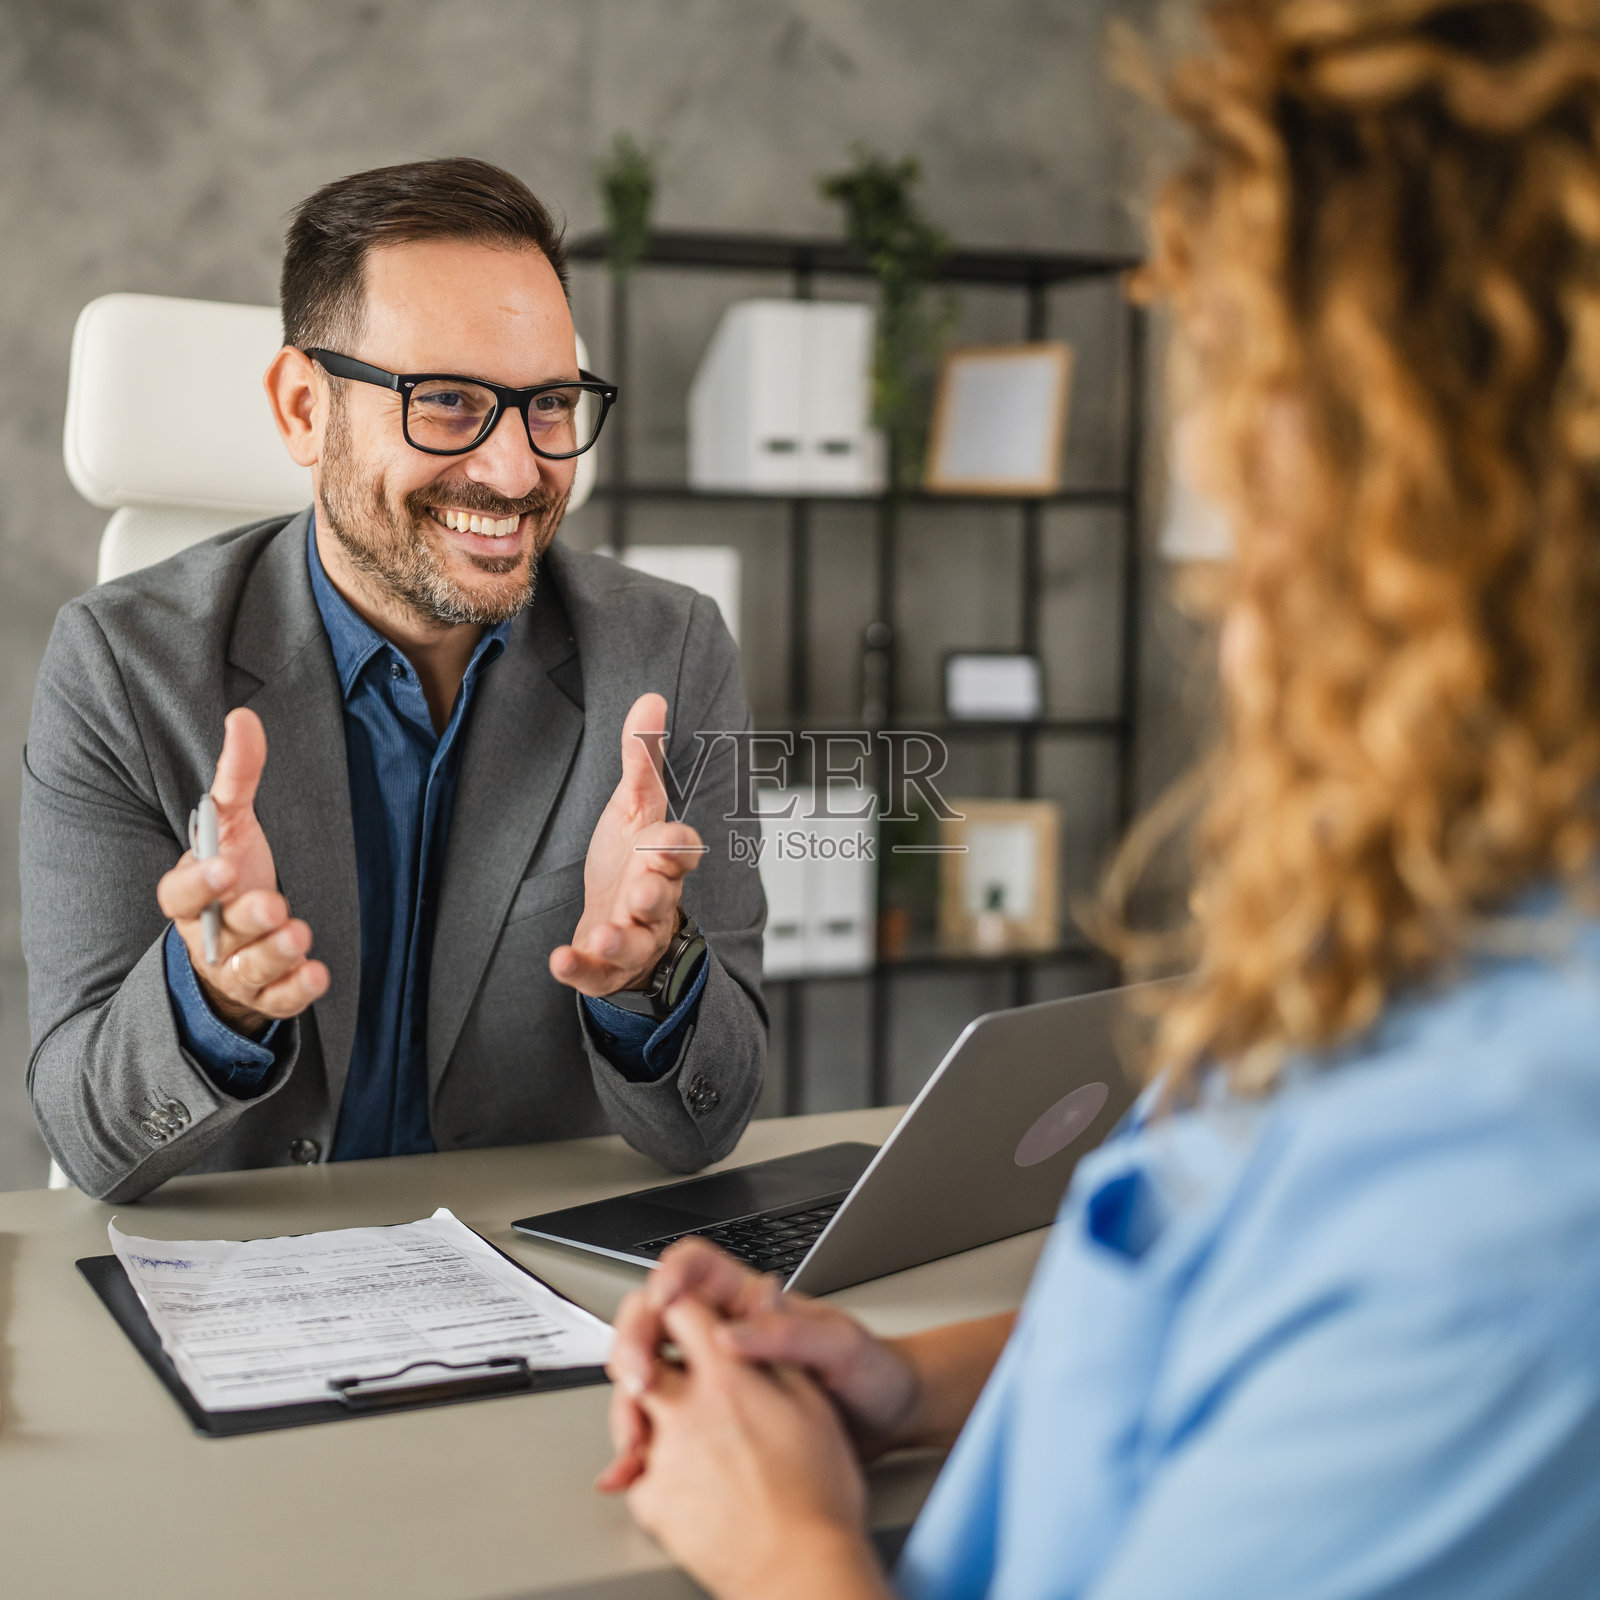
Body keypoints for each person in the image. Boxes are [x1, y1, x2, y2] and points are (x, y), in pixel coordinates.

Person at [596, 2, 1600, 1595]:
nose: (1211, 565)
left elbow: (700, 1102)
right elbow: (1230, 1315)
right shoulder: (1445, 942)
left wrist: (781, 1543)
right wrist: (902, 1380)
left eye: (1257, 409)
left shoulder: (1515, 1192)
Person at [21, 158, 766, 1203]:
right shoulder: (121, 667)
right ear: (300, 408)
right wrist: (215, 999)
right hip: (243, 1291)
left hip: (535, 1293)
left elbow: (713, 1122)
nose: (516, 473)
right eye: (448, 401)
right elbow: (90, 1138)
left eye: (548, 404)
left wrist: (649, 976)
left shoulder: (669, 653)